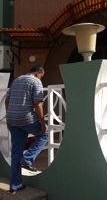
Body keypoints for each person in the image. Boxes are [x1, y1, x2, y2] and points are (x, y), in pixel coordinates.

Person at [5, 65, 48, 193]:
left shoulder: (17, 80)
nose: (41, 78)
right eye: (42, 75)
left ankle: (15, 185)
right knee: (44, 135)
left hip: (12, 120)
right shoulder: (36, 81)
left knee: (16, 152)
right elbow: (37, 104)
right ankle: (27, 159)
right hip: (26, 119)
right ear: (38, 72)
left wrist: (11, 114)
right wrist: (42, 122)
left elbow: (7, 101)